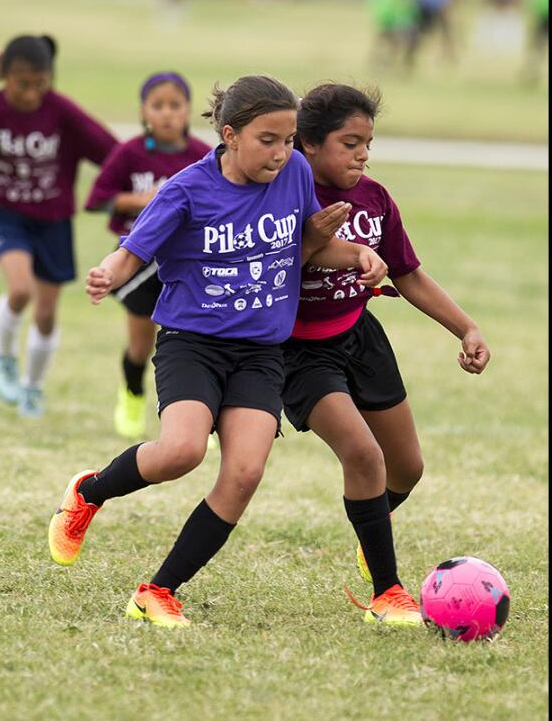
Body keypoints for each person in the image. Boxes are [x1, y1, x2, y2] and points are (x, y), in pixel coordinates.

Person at [48, 75, 388, 628]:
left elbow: (305, 246)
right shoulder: (185, 189)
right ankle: (90, 491)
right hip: (194, 344)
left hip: (260, 351)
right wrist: (106, 274)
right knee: (182, 451)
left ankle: (158, 591)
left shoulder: (296, 173)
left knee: (246, 472)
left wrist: (357, 256)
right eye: (267, 140)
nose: (281, 154)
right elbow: (133, 253)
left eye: (288, 140)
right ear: (229, 135)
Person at [285, 83, 491, 625]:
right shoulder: (282, 195)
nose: (362, 154)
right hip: (300, 352)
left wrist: (466, 328)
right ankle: (387, 590)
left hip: (359, 336)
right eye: (349, 142)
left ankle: (370, 527)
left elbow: (409, 273)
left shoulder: (373, 197)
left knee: (407, 467)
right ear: (308, 143)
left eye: (367, 143)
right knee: (364, 455)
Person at [0, 34, 118, 416]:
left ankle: (32, 386)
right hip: (5, 213)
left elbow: (112, 152)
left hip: (52, 220)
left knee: (46, 315)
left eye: (40, 84)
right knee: (20, 289)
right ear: (5, 78)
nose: (31, 94)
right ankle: (4, 359)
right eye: (21, 84)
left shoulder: (61, 112)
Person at [84, 71, 211, 440]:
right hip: (137, 259)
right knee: (142, 344)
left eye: (176, 105)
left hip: (188, 261)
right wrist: (147, 200)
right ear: (143, 111)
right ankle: (133, 394)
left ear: (189, 111)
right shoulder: (130, 152)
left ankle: (204, 418)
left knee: (198, 341)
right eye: (158, 106)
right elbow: (98, 198)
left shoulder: (201, 156)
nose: (167, 114)